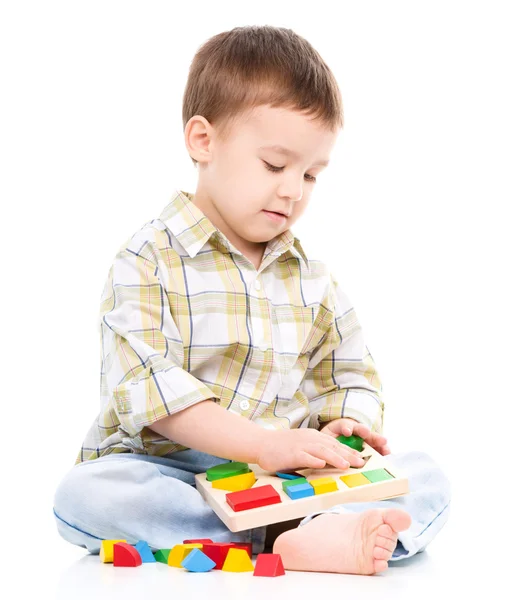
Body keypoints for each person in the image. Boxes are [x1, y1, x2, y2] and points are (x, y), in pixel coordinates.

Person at [53, 25, 451, 576]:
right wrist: (260, 444)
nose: (293, 190)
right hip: (175, 473)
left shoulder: (312, 277)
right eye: (274, 165)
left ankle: (304, 530)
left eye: (311, 174)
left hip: (288, 478)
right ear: (203, 141)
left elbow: (350, 373)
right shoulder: (147, 259)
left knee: (427, 474)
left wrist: (345, 425)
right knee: (87, 494)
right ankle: (284, 536)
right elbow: (144, 386)